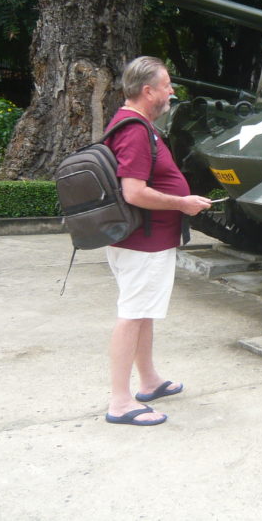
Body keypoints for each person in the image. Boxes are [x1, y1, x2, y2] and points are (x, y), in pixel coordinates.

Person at [103, 56, 211, 426]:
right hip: (142, 245)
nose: (171, 92)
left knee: (142, 312)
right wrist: (182, 202)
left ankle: (148, 380)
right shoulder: (135, 129)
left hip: (143, 241)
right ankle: (120, 403)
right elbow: (133, 192)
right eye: (166, 86)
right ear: (148, 91)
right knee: (132, 316)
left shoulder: (132, 124)